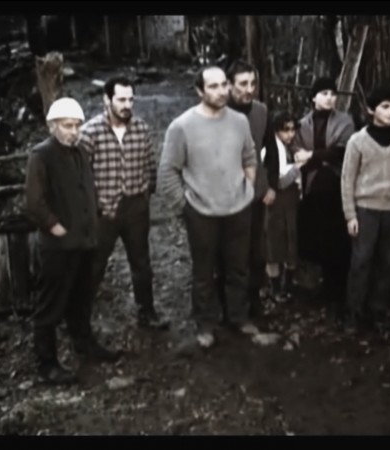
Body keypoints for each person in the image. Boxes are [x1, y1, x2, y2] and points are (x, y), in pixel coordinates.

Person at [158, 65, 259, 348]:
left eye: (224, 84)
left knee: (238, 268)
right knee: (204, 272)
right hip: (201, 212)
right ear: (199, 91)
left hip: (238, 208)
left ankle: (238, 317)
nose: (222, 91)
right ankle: (205, 324)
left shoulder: (239, 121)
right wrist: (185, 207)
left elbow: (250, 157)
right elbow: (167, 171)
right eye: (213, 86)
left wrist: (248, 189)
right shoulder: (182, 126)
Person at [24, 97, 119, 385]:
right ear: (53, 126)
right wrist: (55, 227)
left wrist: (95, 217)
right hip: (59, 247)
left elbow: (85, 189)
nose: (74, 131)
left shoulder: (79, 152)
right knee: (50, 305)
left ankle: (84, 344)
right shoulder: (41, 155)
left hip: (85, 241)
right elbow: (34, 201)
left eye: (77, 125)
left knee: (81, 298)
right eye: (67, 126)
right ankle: (47, 364)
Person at [77, 76, 168, 330]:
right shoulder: (90, 133)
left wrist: (145, 195)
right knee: (94, 265)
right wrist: (94, 207)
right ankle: (80, 321)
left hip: (135, 206)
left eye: (130, 100)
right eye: (121, 100)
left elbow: (150, 165)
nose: (127, 105)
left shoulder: (141, 128)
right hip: (103, 211)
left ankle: (147, 313)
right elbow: (80, 176)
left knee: (141, 263)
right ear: (107, 100)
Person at [341, 87, 390, 330]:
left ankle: (379, 310)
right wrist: (350, 215)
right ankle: (354, 312)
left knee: (389, 262)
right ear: (371, 109)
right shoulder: (358, 142)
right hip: (366, 210)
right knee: (361, 261)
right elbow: (347, 179)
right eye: (385, 107)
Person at [294, 77, 355, 313]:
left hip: (336, 187)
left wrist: (312, 156)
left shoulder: (345, 121)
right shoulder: (303, 124)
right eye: (324, 93)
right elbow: (296, 152)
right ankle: (312, 286)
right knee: (312, 235)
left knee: (336, 238)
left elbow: (342, 151)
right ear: (314, 97)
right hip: (311, 187)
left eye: (332, 93)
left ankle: (336, 288)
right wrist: (313, 158)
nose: (329, 98)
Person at [223, 60, 272, 317]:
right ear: (229, 86)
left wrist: (271, 184)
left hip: (255, 193)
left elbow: (271, 149)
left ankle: (254, 300)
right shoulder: (218, 113)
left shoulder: (261, 111)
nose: (249, 89)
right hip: (226, 196)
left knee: (256, 251)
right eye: (243, 84)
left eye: (253, 83)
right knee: (229, 252)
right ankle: (228, 305)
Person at [261, 111, 312, 302]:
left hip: (290, 204)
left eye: (292, 130)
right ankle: (275, 288)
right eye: (286, 130)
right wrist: (298, 167)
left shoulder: (289, 147)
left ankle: (288, 284)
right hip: (276, 203)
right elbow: (279, 181)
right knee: (274, 245)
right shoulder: (271, 150)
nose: (290, 134)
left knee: (290, 242)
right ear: (276, 131)